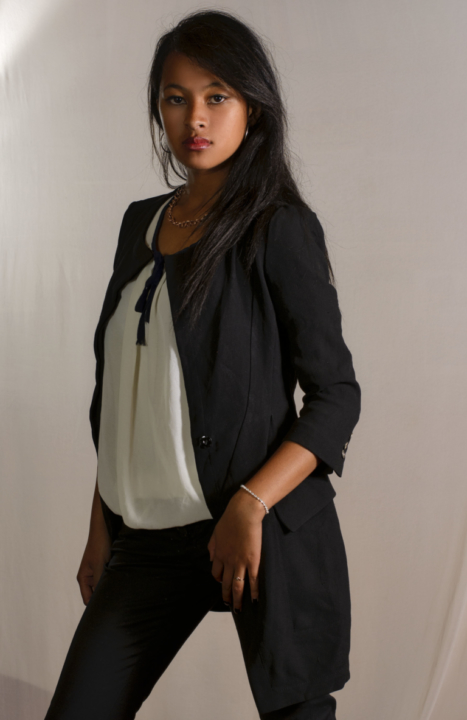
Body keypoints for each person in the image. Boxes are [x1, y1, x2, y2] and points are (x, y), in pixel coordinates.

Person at [44, 9, 361, 720]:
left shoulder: (278, 226)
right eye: (175, 97)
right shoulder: (140, 223)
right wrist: (101, 526)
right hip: (149, 539)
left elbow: (336, 394)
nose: (196, 117)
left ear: (254, 108)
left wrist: (249, 504)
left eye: (218, 96)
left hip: (259, 529)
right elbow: (123, 397)